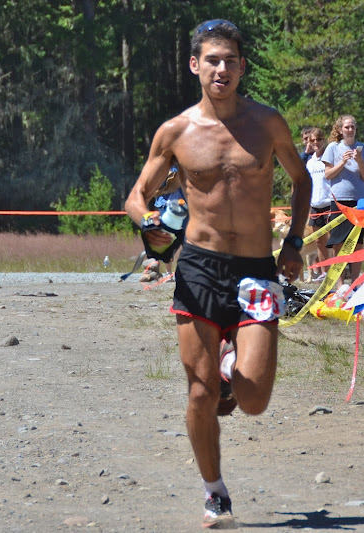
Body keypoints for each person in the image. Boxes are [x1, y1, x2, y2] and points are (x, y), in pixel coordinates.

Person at [125, 19, 311, 528]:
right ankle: (215, 493)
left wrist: (293, 241)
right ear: (195, 65)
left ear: (242, 66)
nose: (221, 69)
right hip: (200, 269)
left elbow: (301, 178)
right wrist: (154, 229)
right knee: (200, 394)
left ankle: (234, 372)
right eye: (212, 60)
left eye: (230, 60)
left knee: (252, 400)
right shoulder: (177, 131)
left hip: (256, 267)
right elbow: (136, 198)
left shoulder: (268, 124)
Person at [322, 115, 364, 288]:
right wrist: (343, 161)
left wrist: (359, 161)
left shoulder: (361, 147)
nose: (350, 130)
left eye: (352, 126)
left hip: (359, 201)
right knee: (338, 243)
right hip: (339, 201)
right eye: (347, 127)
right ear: (340, 129)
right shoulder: (333, 147)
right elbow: (327, 175)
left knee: (358, 244)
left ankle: (354, 284)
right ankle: (340, 286)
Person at [306, 128, 331, 282]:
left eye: (319, 139)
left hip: (329, 203)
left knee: (334, 240)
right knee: (319, 240)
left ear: (324, 140)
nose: (316, 142)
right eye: (313, 140)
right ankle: (324, 272)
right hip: (315, 205)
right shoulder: (310, 162)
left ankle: (337, 273)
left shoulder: (330, 157)